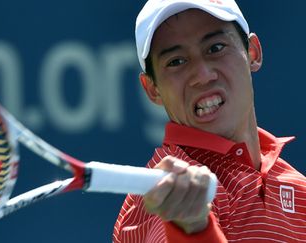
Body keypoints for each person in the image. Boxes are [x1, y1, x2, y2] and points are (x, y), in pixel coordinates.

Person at [113, 0, 306, 242]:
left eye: (215, 48)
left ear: (252, 53)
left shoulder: (299, 189)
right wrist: (192, 228)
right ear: (152, 89)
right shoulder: (159, 199)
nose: (203, 75)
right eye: (176, 62)